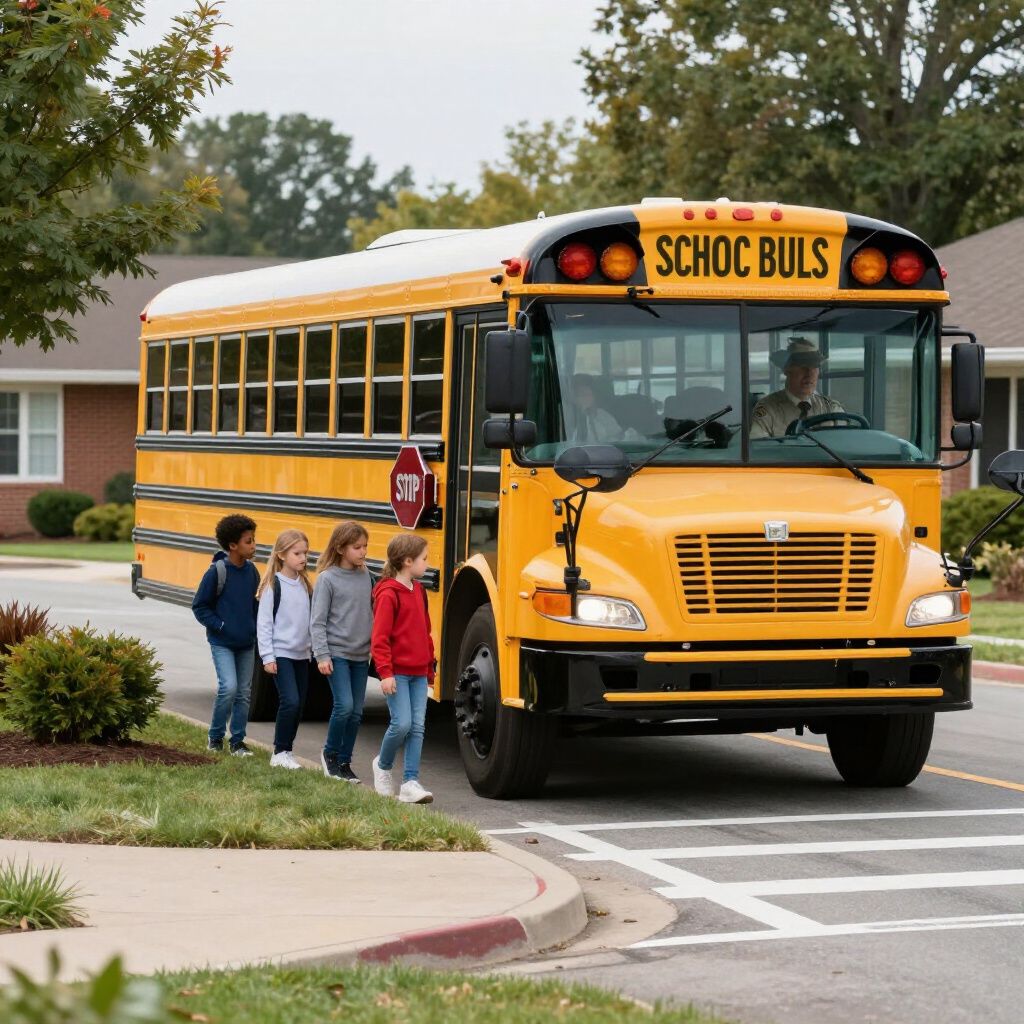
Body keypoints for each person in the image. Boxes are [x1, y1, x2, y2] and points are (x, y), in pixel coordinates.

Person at [370, 534, 435, 804]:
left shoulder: (418, 591)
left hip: (419, 672)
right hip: (396, 673)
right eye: (424, 559)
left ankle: (410, 781)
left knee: (418, 727)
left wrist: (430, 670)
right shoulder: (388, 595)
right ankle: (383, 766)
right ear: (408, 561)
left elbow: (425, 632)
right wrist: (385, 673)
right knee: (402, 723)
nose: (427, 564)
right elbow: (380, 639)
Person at [191, 513, 259, 756]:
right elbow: (199, 606)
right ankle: (215, 737)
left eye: (253, 540)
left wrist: (254, 626)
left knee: (243, 693)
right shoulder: (217, 572)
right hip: (222, 642)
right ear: (233, 545)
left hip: (247, 643)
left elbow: (252, 604)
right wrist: (220, 626)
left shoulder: (252, 572)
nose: (254, 545)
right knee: (228, 688)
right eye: (248, 541)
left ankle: (237, 741)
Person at [310, 521, 373, 783]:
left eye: (365, 547)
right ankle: (330, 754)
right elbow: (317, 621)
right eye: (357, 547)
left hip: (361, 655)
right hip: (336, 653)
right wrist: (322, 655)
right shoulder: (327, 579)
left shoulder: (367, 576)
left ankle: (345, 762)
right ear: (340, 548)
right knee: (344, 706)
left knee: (357, 711)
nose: (363, 552)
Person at [256, 529, 313, 770]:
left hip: (302, 655)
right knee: (289, 701)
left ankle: (287, 751)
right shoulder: (273, 585)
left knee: (298, 705)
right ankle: (279, 751)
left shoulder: (305, 584)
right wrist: (267, 656)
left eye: (305, 553)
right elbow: (264, 623)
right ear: (281, 555)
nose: (303, 558)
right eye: (297, 553)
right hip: (281, 653)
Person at [750, 338, 844, 439]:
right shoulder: (768, 410)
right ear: (786, 369)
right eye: (802, 365)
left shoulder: (830, 408)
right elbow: (757, 450)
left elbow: (846, 442)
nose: (809, 373)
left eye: (815, 365)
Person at [571, 374, 622, 443]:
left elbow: (618, 435)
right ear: (573, 398)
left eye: (589, 394)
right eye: (582, 394)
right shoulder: (567, 419)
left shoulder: (602, 415)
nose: (586, 398)